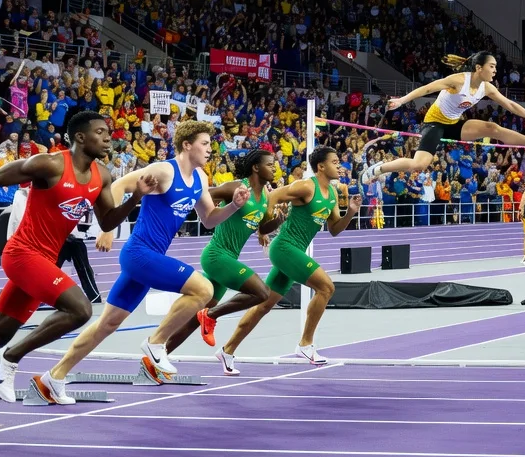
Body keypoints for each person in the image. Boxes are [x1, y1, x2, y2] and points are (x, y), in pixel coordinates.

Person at [0, 112, 149, 426]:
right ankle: (11, 356)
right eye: (101, 132)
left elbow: (107, 222)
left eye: (109, 132)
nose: (109, 138)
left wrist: (135, 198)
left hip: (44, 261)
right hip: (22, 254)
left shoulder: (102, 176)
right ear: (80, 137)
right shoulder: (50, 164)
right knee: (80, 309)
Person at [46, 121, 250, 391]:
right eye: (205, 144)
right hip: (139, 253)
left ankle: (53, 377)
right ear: (187, 145)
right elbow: (118, 185)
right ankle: (156, 343)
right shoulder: (164, 171)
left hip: (147, 261)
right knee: (203, 289)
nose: (210, 149)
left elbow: (209, 219)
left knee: (107, 323)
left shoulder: (200, 179)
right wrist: (107, 227)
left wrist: (234, 206)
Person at [215, 146, 361, 366]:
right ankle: (305, 345)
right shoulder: (306, 186)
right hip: (284, 247)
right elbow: (272, 196)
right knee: (326, 288)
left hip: (293, 252)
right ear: (321, 166)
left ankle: (227, 350)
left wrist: (350, 211)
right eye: (334, 162)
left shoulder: (332, 194)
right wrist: (263, 227)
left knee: (264, 305)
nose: (339, 166)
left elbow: (334, 229)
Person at [160, 149, 288, 374]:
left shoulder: (265, 197)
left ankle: (156, 358)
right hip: (216, 256)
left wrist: (277, 221)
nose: (275, 168)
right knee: (262, 293)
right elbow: (203, 195)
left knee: (193, 321)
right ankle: (210, 316)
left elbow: (261, 227)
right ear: (256, 167)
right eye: (270, 164)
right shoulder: (236, 187)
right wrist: (208, 212)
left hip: (227, 259)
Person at [361, 53, 525, 183]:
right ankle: (378, 169)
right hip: (435, 123)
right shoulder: (458, 80)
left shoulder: (487, 87)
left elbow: (510, 105)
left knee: (492, 128)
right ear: (479, 68)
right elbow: (427, 89)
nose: (495, 70)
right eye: (491, 66)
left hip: (454, 124)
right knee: (419, 164)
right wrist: (401, 101)